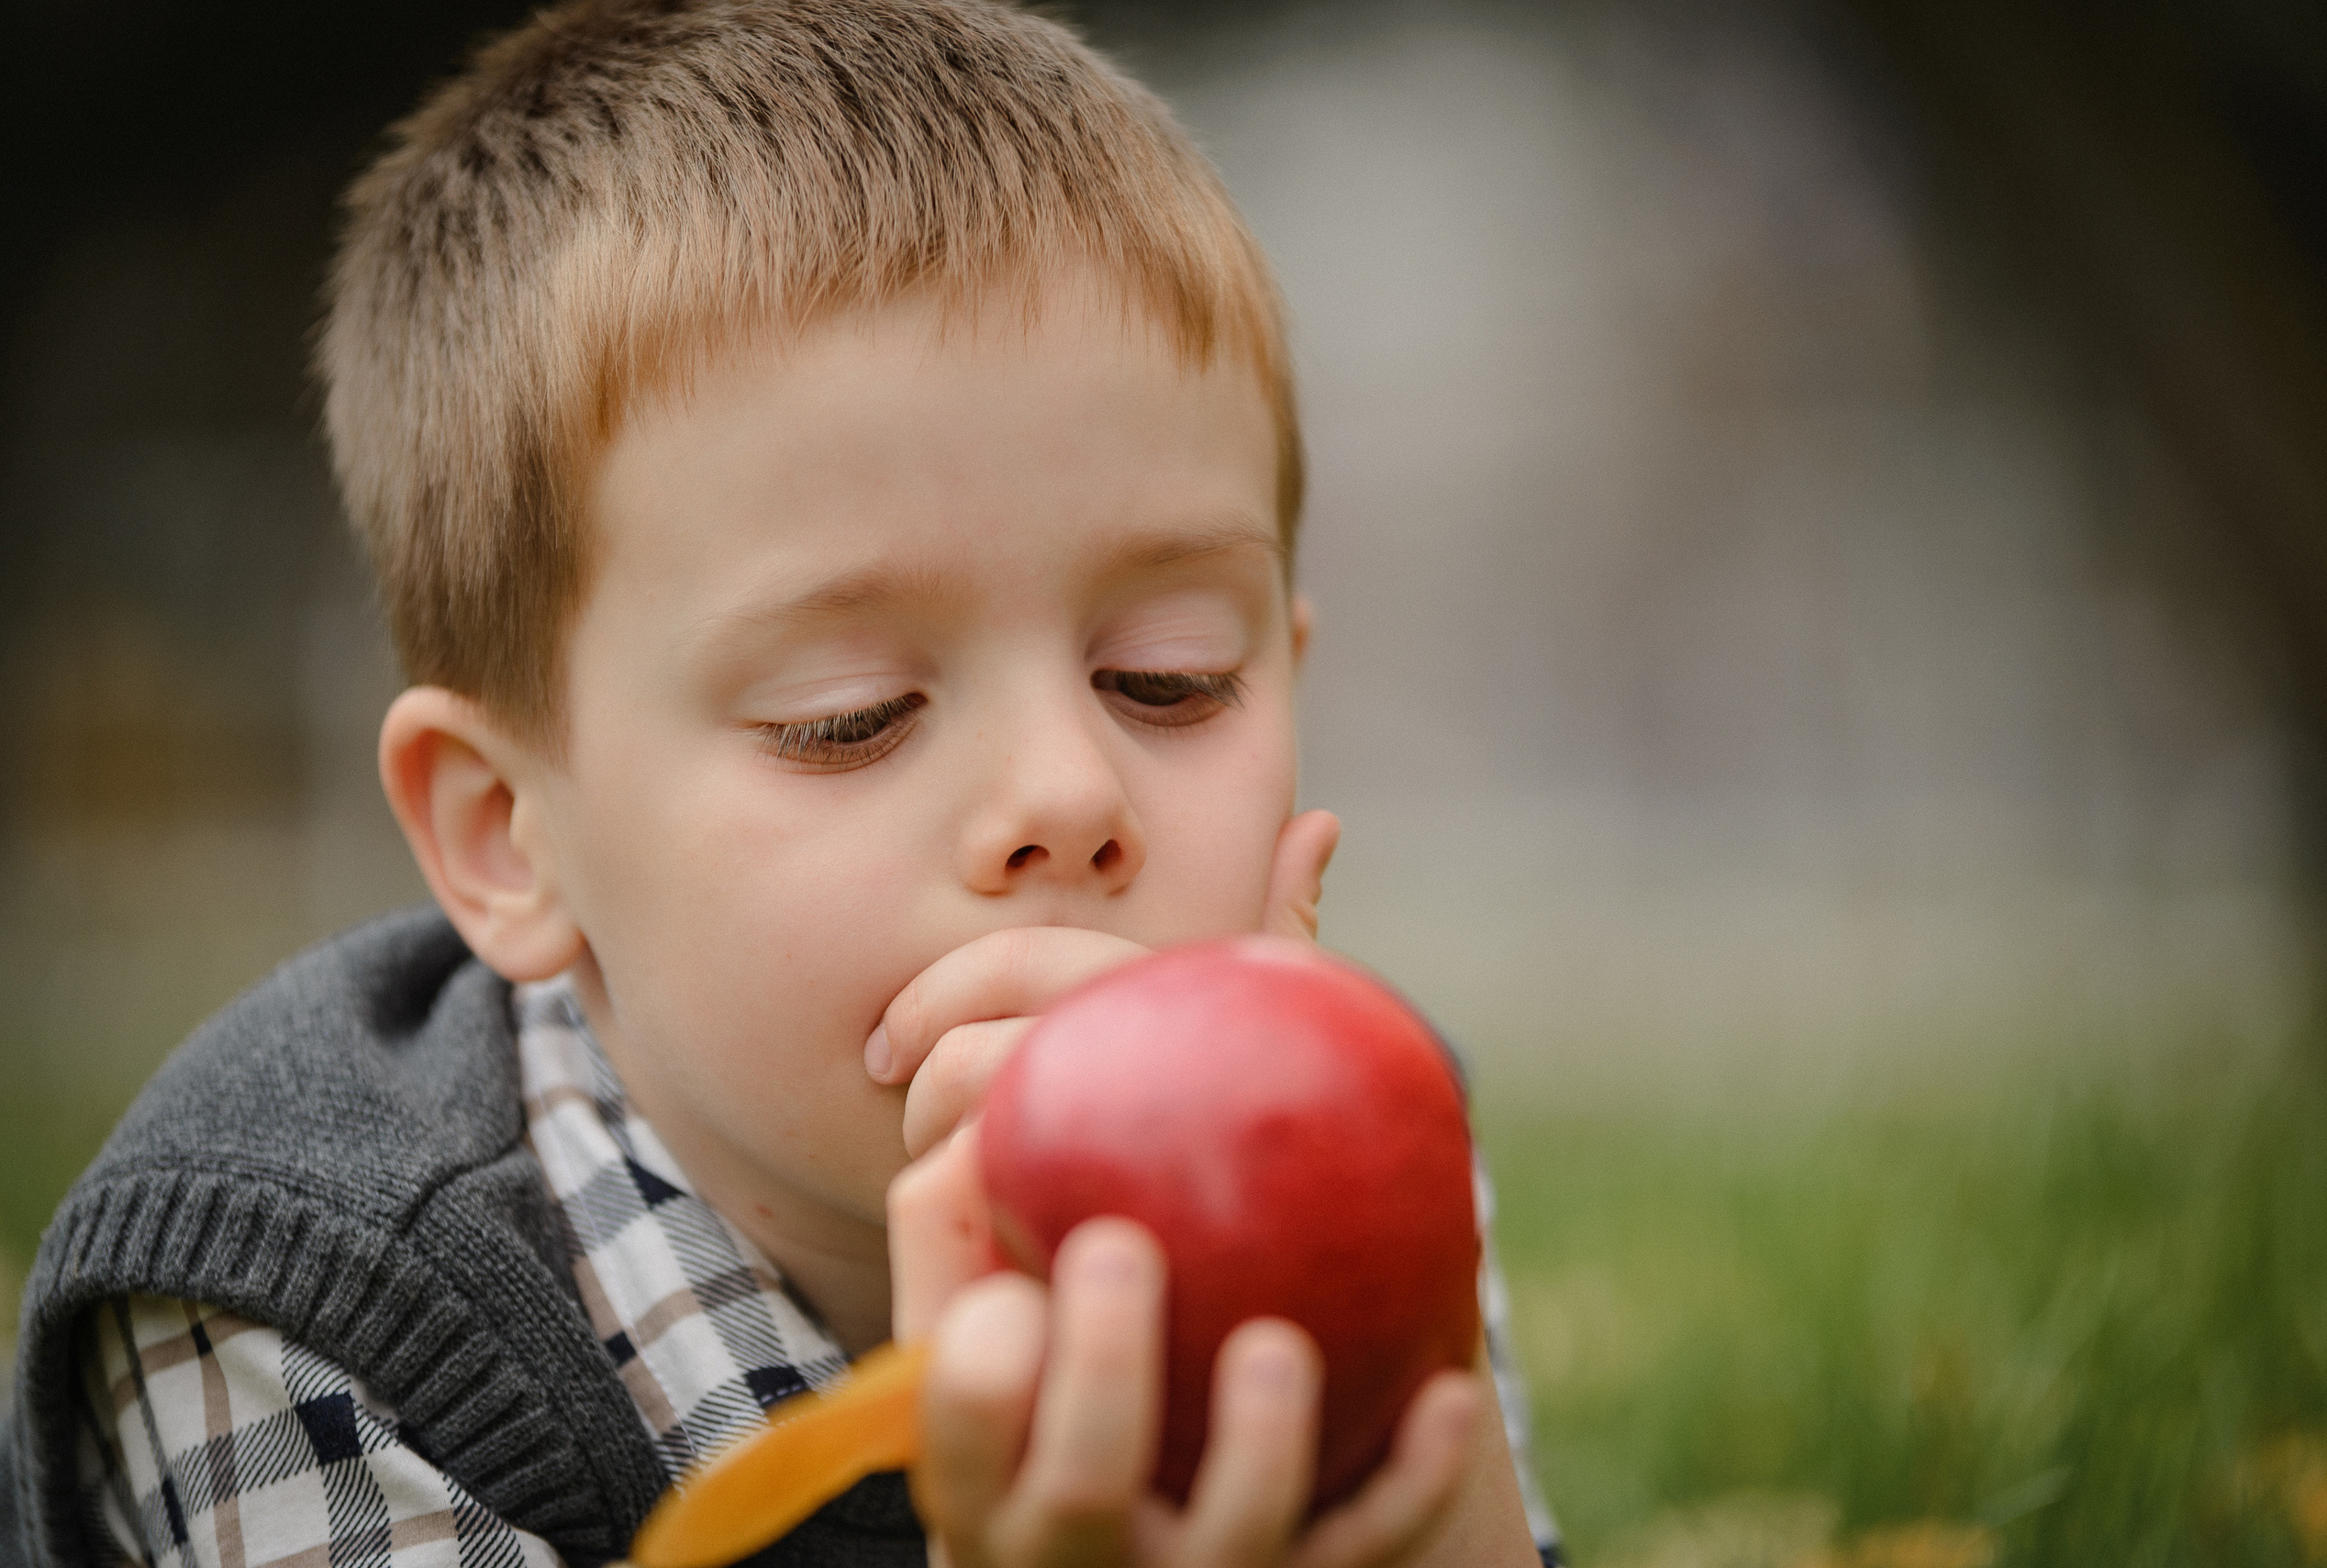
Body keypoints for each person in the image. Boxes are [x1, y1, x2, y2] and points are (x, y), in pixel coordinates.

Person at [2, 4, 1561, 1564]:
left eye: (1171, 672)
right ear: (508, 836)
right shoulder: (302, 1307)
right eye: (851, 714)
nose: (1068, 791)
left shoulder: (1356, 1137)